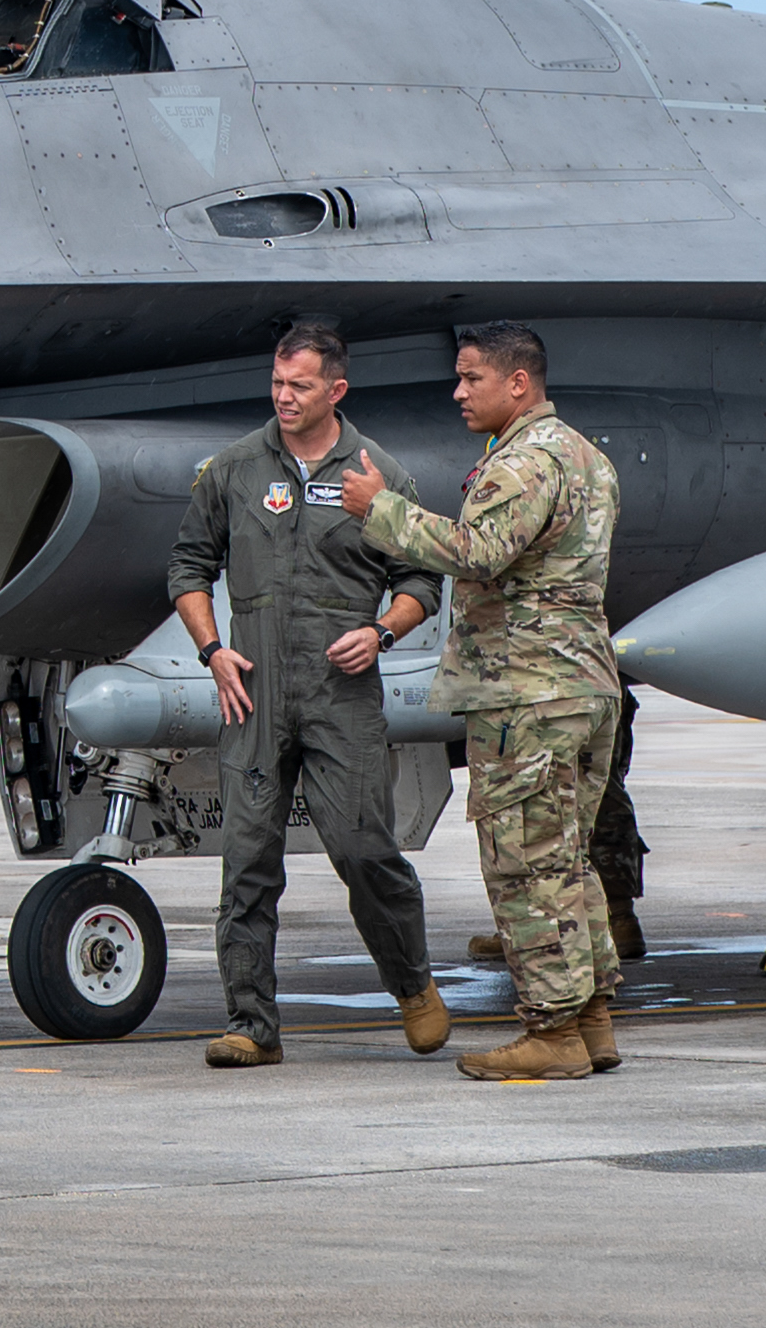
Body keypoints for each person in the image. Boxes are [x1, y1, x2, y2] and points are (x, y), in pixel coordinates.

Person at [342, 324, 628, 1084]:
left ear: (518, 384)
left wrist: (380, 510)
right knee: (566, 861)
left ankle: (552, 1032)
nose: (458, 392)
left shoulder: (524, 463)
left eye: (472, 379)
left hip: (524, 694)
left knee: (526, 866)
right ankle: (590, 1020)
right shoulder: (583, 457)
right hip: (581, 685)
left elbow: (474, 552)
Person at [165, 322, 454, 1067]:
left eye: (298, 385)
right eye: (276, 383)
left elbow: (420, 578)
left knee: (363, 849)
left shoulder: (375, 472)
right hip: (254, 697)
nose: (283, 397)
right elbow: (187, 568)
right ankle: (250, 1024)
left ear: (336, 389)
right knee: (248, 860)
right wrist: (211, 650)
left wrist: (382, 633)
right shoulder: (231, 470)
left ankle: (413, 984)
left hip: (341, 694)